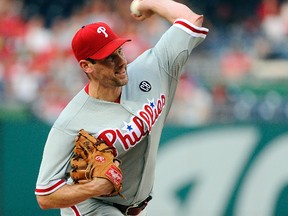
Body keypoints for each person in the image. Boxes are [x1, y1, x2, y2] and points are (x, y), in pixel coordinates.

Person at [35, 0, 209, 215]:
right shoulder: (71, 122)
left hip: (136, 207)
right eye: (108, 58)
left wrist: (149, 3)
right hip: (93, 207)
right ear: (86, 66)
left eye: (119, 51)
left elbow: (191, 20)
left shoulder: (153, 68)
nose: (120, 62)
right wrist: (95, 187)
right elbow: (45, 195)